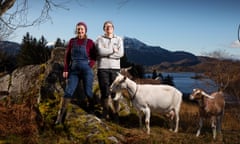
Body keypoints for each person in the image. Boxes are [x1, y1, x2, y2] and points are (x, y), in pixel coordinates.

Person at [55, 22, 97, 124]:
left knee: (88, 91)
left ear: (85, 30)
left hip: (86, 69)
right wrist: (65, 69)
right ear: (76, 30)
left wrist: (89, 65)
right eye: (78, 29)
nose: (80, 31)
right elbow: (67, 56)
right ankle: (60, 116)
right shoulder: (72, 41)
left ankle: (91, 109)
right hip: (73, 70)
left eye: (82, 29)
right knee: (68, 91)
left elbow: (94, 56)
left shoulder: (90, 42)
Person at [96, 21, 124, 120]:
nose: (109, 28)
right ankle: (105, 112)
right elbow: (100, 51)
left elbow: (120, 54)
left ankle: (116, 114)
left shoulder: (119, 39)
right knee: (104, 92)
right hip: (102, 68)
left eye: (110, 26)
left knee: (115, 92)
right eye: (106, 27)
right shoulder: (99, 39)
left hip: (115, 69)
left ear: (113, 28)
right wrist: (113, 51)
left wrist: (106, 54)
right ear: (104, 29)